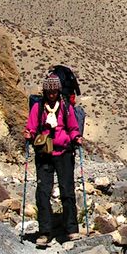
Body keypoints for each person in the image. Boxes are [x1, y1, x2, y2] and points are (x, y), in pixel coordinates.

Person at [24, 73, 82, 245]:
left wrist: (76, 136)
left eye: (54, 92)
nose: (51, 95)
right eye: (49, 92)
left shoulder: (65, 107)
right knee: (43, 192)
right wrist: (29, 133)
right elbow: (32, 126)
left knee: (67, 191)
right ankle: (44, 232)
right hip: (44, 154)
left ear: (58, 91)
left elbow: (72, 127)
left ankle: (71, 229)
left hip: (63, 153)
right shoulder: (38, 107)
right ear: (45, 92)